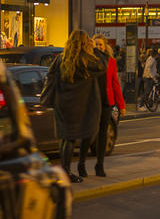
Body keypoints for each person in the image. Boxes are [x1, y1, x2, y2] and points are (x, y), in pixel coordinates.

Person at [41, 29, 106, 183]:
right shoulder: (85, 59)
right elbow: (103, 65)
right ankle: (66, 172)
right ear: (85, 43)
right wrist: (95, 48)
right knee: (70, 139)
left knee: (65, 138)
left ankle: (65, 170)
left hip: (62, 104)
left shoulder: (61, 58)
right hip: (79, 105)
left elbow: (50, 76)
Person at [92, 35, 126, 177]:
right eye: (96, 45)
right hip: (93, 101)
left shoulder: (111, 62)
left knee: (103, 133)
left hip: (106, 101)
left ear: (105, 46)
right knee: (89, 134)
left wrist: (121, 105)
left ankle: (99, 164)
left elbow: (115, 84)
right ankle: (81, 163)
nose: (99, 47)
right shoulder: (90, 61)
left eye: (101, 45)